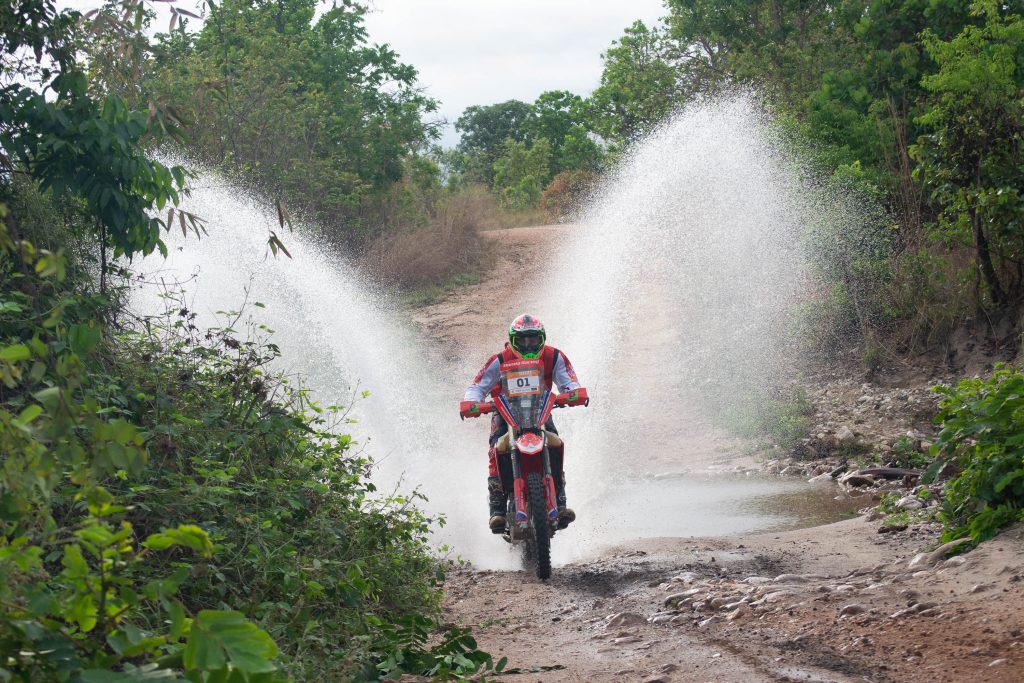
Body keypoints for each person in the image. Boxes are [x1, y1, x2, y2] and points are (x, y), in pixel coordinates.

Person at [459, 313, 584, 533]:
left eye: (533, 340)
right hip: (504, 411)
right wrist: (472, 403)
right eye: (523, 340)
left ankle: (560, 500)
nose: (528, 345)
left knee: (555, 442)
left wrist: (574, 393)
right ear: (512, 340)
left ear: (542, 339)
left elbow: (570, 381)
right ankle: (497, 507)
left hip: (540, 408)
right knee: (496, 448)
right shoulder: (499, 360)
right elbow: (477, 386)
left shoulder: (554, 356)